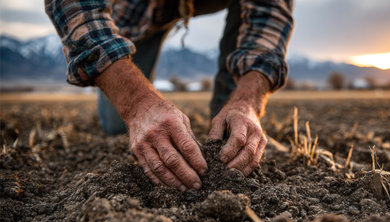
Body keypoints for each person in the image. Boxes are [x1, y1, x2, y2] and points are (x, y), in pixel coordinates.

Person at [45, 0, 294, 191]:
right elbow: (73, 8)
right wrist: (137, 105)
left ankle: (223, 132)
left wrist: (246, 102)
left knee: (233, 131)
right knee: (114, 124)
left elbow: (270, 14)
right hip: (137, 13)